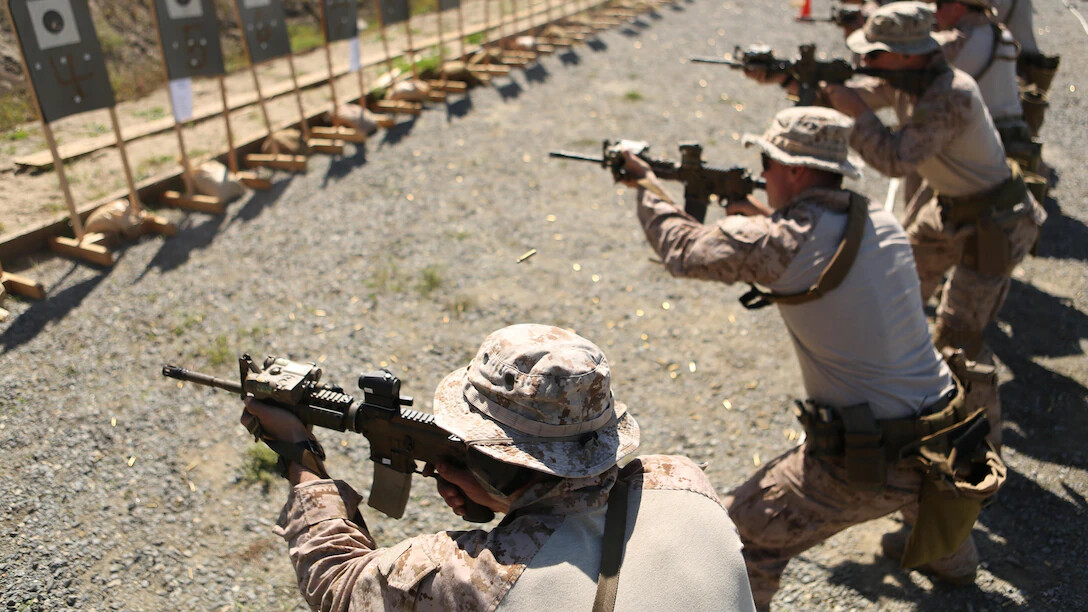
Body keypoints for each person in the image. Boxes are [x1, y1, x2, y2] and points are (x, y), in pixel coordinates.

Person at [619, 106, 1002, 610]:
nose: (762, 174)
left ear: (795, 171)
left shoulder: (786, 241)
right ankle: (955, 561)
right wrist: (748, 206)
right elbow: (800, 243)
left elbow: (683, 249)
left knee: (735, 542)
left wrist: (644, 184)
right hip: (950, 435)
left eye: (768, 163)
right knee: (920, 484)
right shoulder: (877, 219)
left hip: (868, 459)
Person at [241, 323, 756, 611]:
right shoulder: (686, 481)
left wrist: (299, 457)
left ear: (497, 460)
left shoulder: (482, 576)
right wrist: (499, 493)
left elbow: (340, 587)